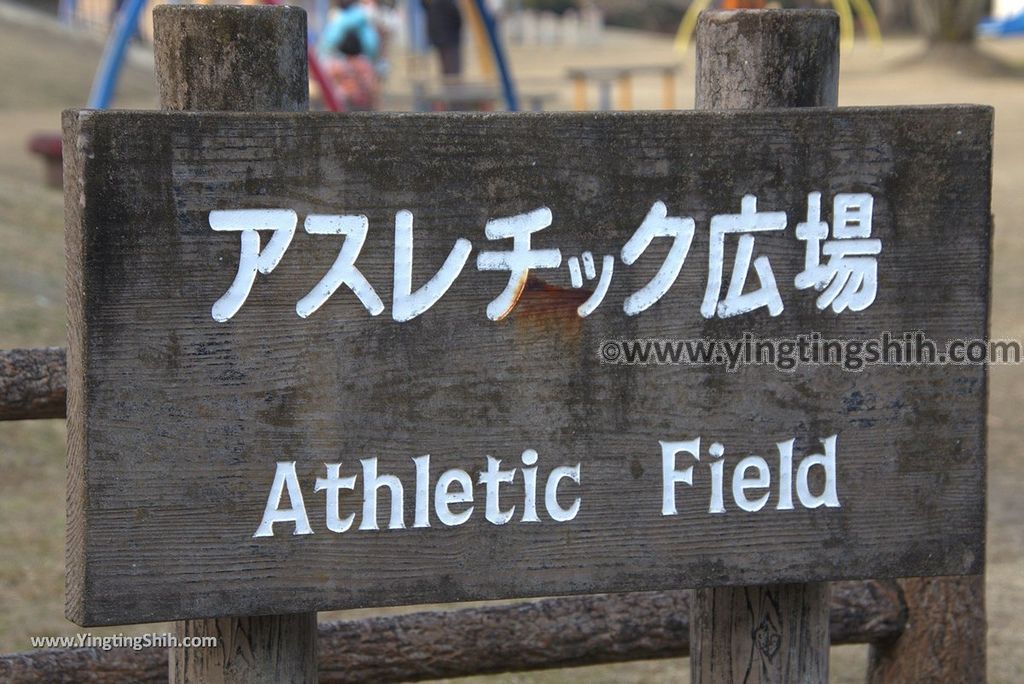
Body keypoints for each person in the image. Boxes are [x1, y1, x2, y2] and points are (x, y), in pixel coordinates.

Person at [326, 32, 380, 111]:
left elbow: (329, 80)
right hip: (356, 102)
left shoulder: (338, 64)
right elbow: (371, 86)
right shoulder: (364, 63)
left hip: (348, 101)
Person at [318, 0, 381, 64]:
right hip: (339, 55)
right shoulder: (345, 17)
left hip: (363, 56)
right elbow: (329, 41)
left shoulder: (358, 16)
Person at [422, 0, 463, 78]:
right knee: (450, 68)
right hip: (447, 39)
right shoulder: (437, 5)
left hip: (446, 39)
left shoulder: (435, 5)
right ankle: (451, 87)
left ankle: (451, 87)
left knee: (449, 67)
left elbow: (457, 18)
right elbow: (457, 18)